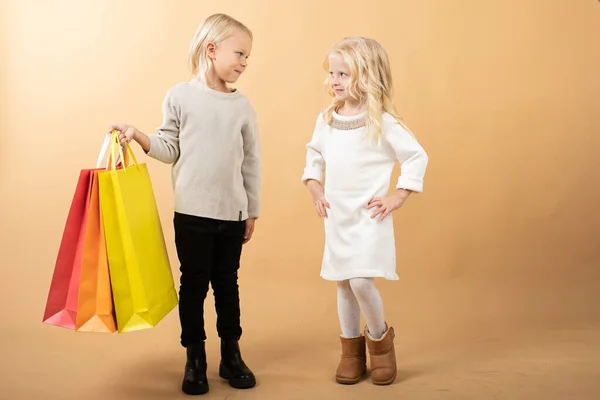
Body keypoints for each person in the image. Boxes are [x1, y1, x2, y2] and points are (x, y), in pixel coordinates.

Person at [109, 13, 261, 396]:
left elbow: (251, 160)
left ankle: (231, 354)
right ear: (212, 50)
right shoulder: (180, 97)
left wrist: (252, 209)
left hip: (231, 214)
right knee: (193, 285)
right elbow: (169, 147)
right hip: (192, 214)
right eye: (240, 53)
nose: (244, 62)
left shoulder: (242, 107)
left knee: (227, 285)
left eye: (248, 56)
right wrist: (139, 136)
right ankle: (195, 358)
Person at [301, 36, 428, 386]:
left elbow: (416, 156)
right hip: (338, 216)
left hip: (370, 216)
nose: (335, 80)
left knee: (361, 280)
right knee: (343, 283)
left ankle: (380, 343)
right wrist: (316, 188)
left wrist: (397, 197)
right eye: (332, 73)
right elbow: (314, 155)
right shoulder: (326, 119)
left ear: (367, 76)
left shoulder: (381, 121)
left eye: (344, 73)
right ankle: (351, 352)